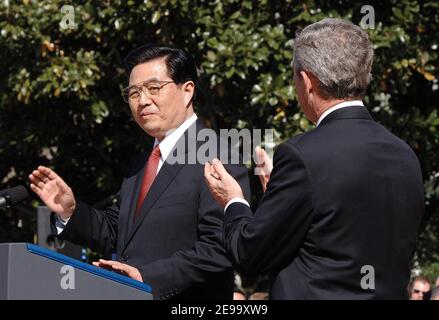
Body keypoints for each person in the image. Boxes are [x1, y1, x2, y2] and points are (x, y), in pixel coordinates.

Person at [204, 18, 425, 299]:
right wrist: (282, 195)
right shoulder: (405, 155)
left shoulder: (303, 155)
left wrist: (232, 200)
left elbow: (250, 254)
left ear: (307, 80)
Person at [29, 44, 250, 300]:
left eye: (154, 88)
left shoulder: (216, 156)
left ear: (187, 91)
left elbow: (221, 246)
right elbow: (115, 231)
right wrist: (70, 211)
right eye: (134, 92)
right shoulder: (140, 164)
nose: (143, 101)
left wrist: (145, 278)